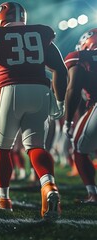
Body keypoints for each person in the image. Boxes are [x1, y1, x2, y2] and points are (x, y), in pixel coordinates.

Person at [0, 2, 67, 219]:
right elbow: (60, 70)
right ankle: (49, 186)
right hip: (40, 90)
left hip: (10, 89)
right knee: (36, 146)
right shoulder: (41, 33)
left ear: (0, 18)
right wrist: (60, 100)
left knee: (3, 148)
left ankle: (4, 198)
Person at [63, 28, 97, 203]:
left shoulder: (80, 56)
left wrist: (67, 120)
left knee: (78, 147)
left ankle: (93, 194)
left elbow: (73, 89)